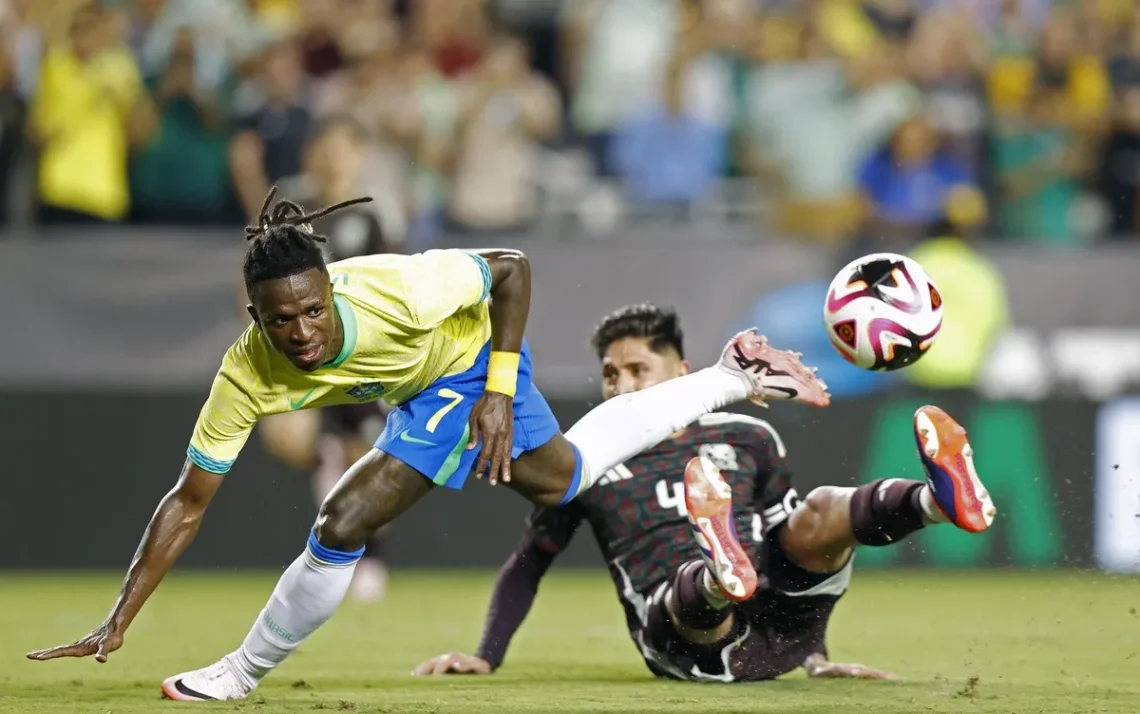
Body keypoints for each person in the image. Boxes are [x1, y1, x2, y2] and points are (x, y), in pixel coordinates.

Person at [25, 190, 831, 703]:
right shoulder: (246, 377)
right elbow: (187, 503)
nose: (302, 332)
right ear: (253, 315)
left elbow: (512, 268)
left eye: (312, 310)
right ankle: (730, 374)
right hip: (420, 393)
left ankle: (237, 676)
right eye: (281, 320)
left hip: (466, 364)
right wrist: (119, 616)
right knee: (568, 477)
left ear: (330, 286)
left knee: (343, 521)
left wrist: (499, 389)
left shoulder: (397, 291)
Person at [413, 304, 996, 682]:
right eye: (612, 375)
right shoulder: (582, 460)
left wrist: (816, 659)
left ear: (684, 371)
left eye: (639, 369)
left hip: (781, 621)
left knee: (816, 513)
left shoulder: (749, 436)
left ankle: (937, 501)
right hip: (689, 640)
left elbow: (794, 546)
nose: (622, 384)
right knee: (689, 591)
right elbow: (528, 563)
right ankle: (720, 573)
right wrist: (485, 654)